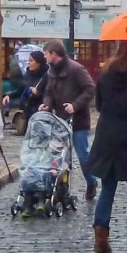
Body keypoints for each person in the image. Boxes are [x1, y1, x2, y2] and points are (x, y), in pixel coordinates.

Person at [86, 42, 127, 253]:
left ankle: (100, 235)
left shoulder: (106, 73)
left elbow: (99, 104)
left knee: (108, 185)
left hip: (107, 133)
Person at [40, 40, 97, 200]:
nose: (44, 57)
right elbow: (49, 92)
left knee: (82, 155)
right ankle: (62, 189)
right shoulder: (51, 71)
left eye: (46, 54)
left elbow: (90, 89)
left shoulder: (76, 69)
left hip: (78, 120)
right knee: (60, 156)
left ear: (54, 54)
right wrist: (46, 105)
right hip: (60, 120)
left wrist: (75, 105)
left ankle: (91, 181)